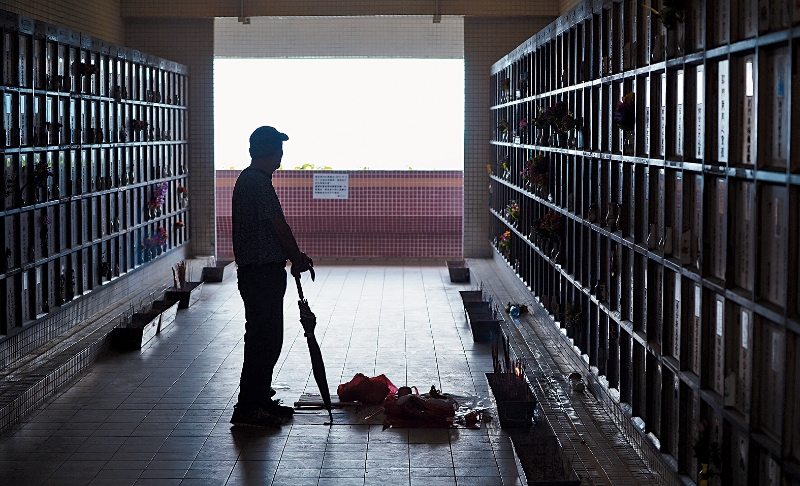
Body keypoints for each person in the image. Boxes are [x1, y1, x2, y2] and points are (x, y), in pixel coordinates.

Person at [230, 126, 314, 427]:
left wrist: (292, 258)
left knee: (265, 338)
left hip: (260, 272)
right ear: (272, 152)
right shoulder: (257, 183)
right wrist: (297, 257)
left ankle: (260, 399)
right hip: (261, 274)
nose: (282, 154)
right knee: (263, 340)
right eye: (279, 148)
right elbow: (279, 226)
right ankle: (249, 408)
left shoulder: (252, 180)